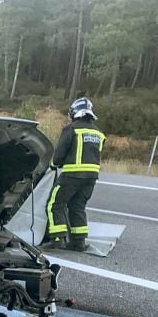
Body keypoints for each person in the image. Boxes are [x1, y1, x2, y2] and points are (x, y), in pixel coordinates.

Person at [45, 97, 106, 252]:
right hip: (91, 178)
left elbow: (59, 154)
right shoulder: (99, 133)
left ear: (74, 113)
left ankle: (57, 238)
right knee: (77, 206)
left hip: (72, 175)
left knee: (55, 204)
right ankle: (78, 242)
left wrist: (53, 165)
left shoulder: (71, 129)